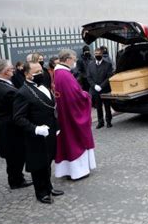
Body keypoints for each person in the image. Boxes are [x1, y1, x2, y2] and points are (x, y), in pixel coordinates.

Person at [13, 61, 63, 204]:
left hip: (50, 132)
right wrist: (35, 129)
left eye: (41, 70)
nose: (40, 74)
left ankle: (49, 186)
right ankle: (41, 193)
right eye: (36, 72)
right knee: (38, 164)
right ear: (27, 74)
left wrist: (56, 126)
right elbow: (18, 118)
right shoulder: (22, 92)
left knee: (48, 161)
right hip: (36, 135)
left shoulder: (43, 86)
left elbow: (51, 108)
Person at [54, 49, 96, 180]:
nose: (75, 61)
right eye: (74, 59)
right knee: (76, 140)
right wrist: (85, 96)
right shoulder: (65, 75)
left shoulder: (59, 73)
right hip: (72, 114)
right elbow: (75, 97)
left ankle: (70, 170)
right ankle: (78, 171)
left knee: (68, 140)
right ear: (67, 59)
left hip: (65, 113)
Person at [0, 59, 31, 189]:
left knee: (12, 155)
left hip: (4, 125)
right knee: (16, 155)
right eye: (11, 68)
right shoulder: (7, 90)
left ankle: (16, 178)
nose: (13, 70)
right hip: (11, 128)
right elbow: (18, 109)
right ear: (5, 71)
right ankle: (16, 181)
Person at [87, 48, 114, 129]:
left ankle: (108, 121)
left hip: (105, 89)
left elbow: (109, 77)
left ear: (102, 54)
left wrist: (101, 86)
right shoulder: (90, 64)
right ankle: (100, 122)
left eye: (99, 53)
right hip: (95, 89)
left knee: (107, 106)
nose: (97, 55)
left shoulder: (108, 64)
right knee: (98, 106)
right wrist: (94, 86)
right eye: (96, 53)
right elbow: (89, 77)